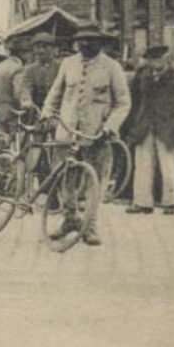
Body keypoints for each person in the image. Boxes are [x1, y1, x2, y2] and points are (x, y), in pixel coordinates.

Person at [41, 26, 132, 246]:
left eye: (90, 41)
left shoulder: (112, 67)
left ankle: (89, 227)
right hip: (67, 132)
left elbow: (123, 103)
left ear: (100, 43)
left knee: (95, 182)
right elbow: (55, 94)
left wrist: (110, 127)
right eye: (81, 41)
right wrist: (48, 114)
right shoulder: (68, 63)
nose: (85, 45)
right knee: (65, 180)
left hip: (97, 135)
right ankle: (69, 220)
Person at [124, 45, 174, 216]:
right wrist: (132, 124)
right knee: (142, 165)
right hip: (144, 126)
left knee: (169, 166)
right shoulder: (142, 77)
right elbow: (133, 103)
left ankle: (170, 202)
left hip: (169, 129)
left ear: (167, 58)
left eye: (159, 58)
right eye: (151, 59)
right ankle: (142, 202)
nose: (155, 63)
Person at [0, 34, 30, 150]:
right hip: (14, 112)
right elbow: (18, 93)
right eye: (28, 52)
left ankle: (0, 164)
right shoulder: (18, 68)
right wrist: (24, 107)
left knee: (2, 142)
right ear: (21, 53)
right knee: (17, 145)